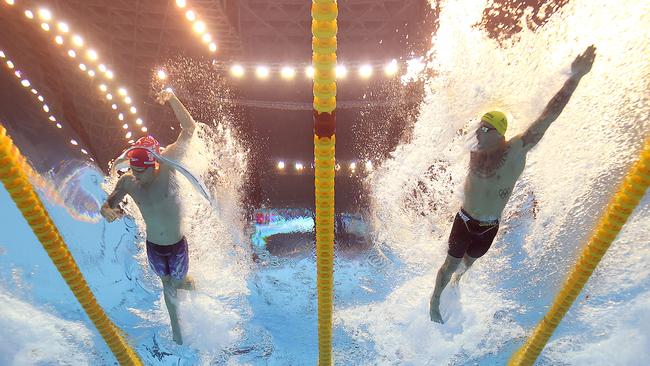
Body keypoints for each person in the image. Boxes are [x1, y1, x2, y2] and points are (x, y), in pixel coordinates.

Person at [429, 45, 597, 323]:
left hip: (489, 227)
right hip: (464, 219)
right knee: (450, 264)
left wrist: (575, 78)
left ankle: (459, 280)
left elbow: (548, 118)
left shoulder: (517, 149)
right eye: (477, 128)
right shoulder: (474, 151)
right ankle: (434, 301)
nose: (477, 133)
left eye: (483, 128)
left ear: (498, 133)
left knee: (468, 263)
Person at [101, 89, 196, 343]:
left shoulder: (167, 169)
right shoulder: (129, 183)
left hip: (176, 246)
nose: (136, 176)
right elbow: (108, 204)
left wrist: (172, 98)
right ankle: (182, 308)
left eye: (140, 172)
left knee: (172, 285)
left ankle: (179, 336)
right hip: (153, 247)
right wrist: (109, 211)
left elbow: (189, 129)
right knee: (167, 284)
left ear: (153, 164)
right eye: (132, 170)